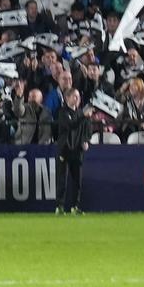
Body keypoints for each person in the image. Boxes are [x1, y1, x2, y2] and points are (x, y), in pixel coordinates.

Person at [54, 85, 89, 215]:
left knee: (77, 181)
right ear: (67, 97)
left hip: (77, 150)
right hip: (65, 149)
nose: (77, 99)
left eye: (78, 96)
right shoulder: (63, 112)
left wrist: (85, 140)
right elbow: (71, 125)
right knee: (62, 180)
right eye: (75, 96)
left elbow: (87, 128)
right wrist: (83, 116)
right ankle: (59, 206)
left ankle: (75, 206)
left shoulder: (81, 113)